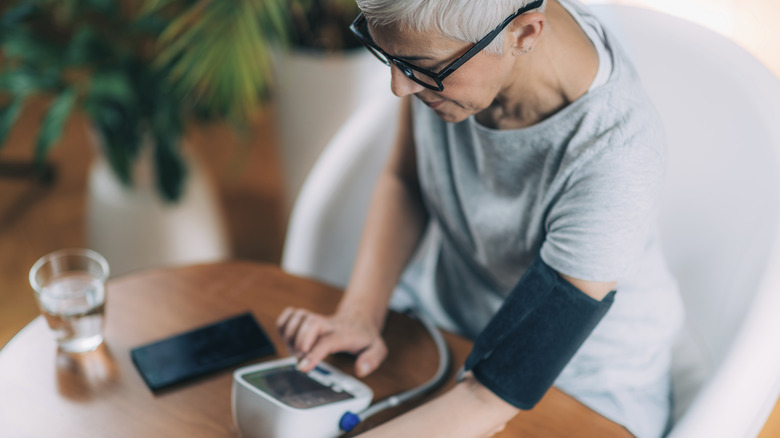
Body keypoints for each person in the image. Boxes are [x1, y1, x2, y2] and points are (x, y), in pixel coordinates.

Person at [277, 0, 684, 436]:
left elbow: (492, 394)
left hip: (580, 384)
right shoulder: (440, 47)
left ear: (525, 34)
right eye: (389, 58)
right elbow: (406, 179)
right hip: (448, 329)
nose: (399, 87)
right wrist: (360, 313)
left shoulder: (617, 157)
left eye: (418, 67)